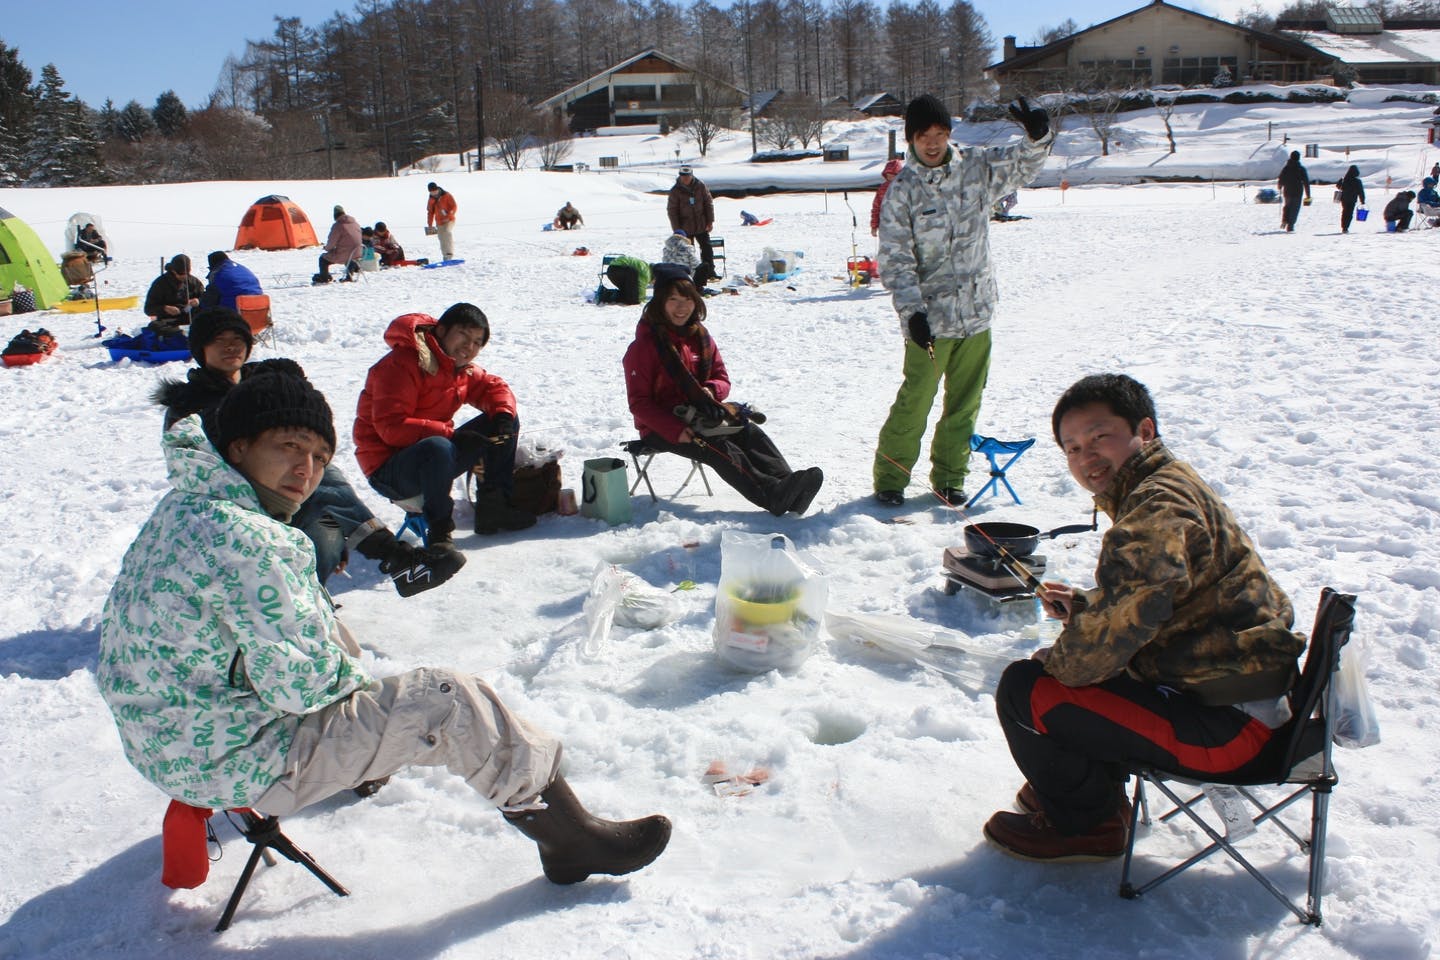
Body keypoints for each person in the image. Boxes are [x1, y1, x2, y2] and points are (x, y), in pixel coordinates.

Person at [98, 371, 671, 885]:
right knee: (446, 702)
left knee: (323, 620)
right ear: (240, 445)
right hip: (230, 758)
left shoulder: (188, 503)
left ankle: (370, 760)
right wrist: (357, 682)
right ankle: (572, 842)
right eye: (290, 447)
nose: (306, 469)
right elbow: (303, 688)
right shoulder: (252, 539)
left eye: (320, 456)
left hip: (164, 737)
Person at [983, 373, 1307, 862]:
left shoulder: (1154, 507)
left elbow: (1112, 640)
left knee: (1028, 689)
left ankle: (1089, 824)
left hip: (1231, 731)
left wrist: (1064, 659)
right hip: (1245, 698)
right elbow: (1160, 601)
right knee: (1075, 669)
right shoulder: (1168, 484)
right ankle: (1079, 787)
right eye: (1071, 448)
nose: (1085, 457)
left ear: (1145, 431)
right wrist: (1089, 610)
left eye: (1099, 437)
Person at [154, 307, 463, 598]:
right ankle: (396, 558)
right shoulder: (189, 405)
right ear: (201, 350)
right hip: (236, 501)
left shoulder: (266, 383)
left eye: (237, 340)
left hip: (291, 493)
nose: (230, 347)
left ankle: (309, 607)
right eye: (218, 341)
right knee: (323, 480)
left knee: (326, 535)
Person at [872, 93, 1053, 507]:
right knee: (915, 400)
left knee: (965, 403)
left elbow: (1022, 165)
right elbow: (896, 260)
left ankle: (950, 477)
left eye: (939, 133)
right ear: (911, 139)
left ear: (949, 134)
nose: (932, 143)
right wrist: (913, 312)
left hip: (976, 313)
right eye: (923, 136)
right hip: (931, 321)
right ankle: (891, 477)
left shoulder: (977, 168)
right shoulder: (903, 191)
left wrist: (1038, 137)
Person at [623, 263, 823, 516]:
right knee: (719, 446)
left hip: (703, 412)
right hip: (661, 426)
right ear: (659, 302)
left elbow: (722, 378)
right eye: (673, 299)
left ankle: (790, 486)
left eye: (687, 299)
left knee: (749, 432)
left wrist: (711, 391)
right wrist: (675, 429)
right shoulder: (644, 347)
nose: (681, 307)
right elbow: (639, 403)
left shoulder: (700, 338)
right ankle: (771, 494)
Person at [354, 302, 536, 548]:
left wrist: (502, 417)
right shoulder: (402, 363)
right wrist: (451, 436)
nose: (468, 347)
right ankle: (440, 532)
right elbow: (392, 428)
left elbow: (491, 387)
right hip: (388, 469)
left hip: (433, 456)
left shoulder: (457, 368)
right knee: (438, 447)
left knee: (503, 418)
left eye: (477, 342)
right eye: (463, 335)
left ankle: (495, 506)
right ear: (441, 331)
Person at [667, 166, 717, 284]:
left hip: (701, 224)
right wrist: (677, 230)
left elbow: (708, 203)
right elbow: (672, 211)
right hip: (684, 227)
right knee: (688, 252)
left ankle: (710, 272)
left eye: (687, 177)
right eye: (683, 177)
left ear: (691, 176)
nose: (685, 179)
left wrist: (710, 221)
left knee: (707, 248)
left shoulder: (700, 186)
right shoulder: (675, 190)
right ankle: (692, 274)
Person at [143, 254, 204, 336]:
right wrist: (165, 308)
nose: (184, 276)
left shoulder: (194, 282)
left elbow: (205, 297)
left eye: (186, 273)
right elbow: (148, 309)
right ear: (173, 271)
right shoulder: (160, 283)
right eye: (181, 274)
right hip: (169, 320)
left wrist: (198, 301)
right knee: (155, 326)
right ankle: (181, 334)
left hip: (190, 316)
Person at [314, 204, 363, 284]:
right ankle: (349, 276)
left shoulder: (338, 225)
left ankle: (324, 277)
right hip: (357, 253)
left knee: (323, 259)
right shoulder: (355, 224)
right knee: (349, 256)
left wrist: (326, 248)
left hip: (345, 254)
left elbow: (331, 244)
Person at [1277, 150, 1311, 232]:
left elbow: (1281, 178)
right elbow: (1306, 182)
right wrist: (1308, 195)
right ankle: (1290, 225)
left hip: (1287, 191)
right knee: (1294, 209)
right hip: (1297, 192)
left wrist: (1280, 186)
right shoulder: (1301, 169)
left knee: (1287, 206)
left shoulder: (1286, 168)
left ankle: (1285, 219)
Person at [870, 157, 903, 237]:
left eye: (893, 175)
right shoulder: (882, 189)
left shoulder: (905, 188)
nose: (891, 178)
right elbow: (876, 208)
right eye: (889, 175)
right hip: (886, 226)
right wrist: (874, 226)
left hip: (902, 226)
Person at [426, 181, 458, 261]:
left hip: (449, 220)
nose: (433, 193)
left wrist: (449, 215)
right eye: (431, 192)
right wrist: (430, 225)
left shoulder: (446, 195)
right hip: (439, 222)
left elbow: (454, 206)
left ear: (437, 189)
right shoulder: (431, 200)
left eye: (434, 191)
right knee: (441, 237)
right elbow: (430, 213)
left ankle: (449, 254)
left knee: (447, 233)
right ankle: (445, 256)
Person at [1338, 165, 1366, 234]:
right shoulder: (1357, 181)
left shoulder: (1344, 179)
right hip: (1352, 200)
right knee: (1349, 213)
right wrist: (1362, 201)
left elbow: (1338, 186)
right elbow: (1361, 192)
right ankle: (1346, 227)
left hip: (1344, 199)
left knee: (1344, 212)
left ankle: (1344, 227)